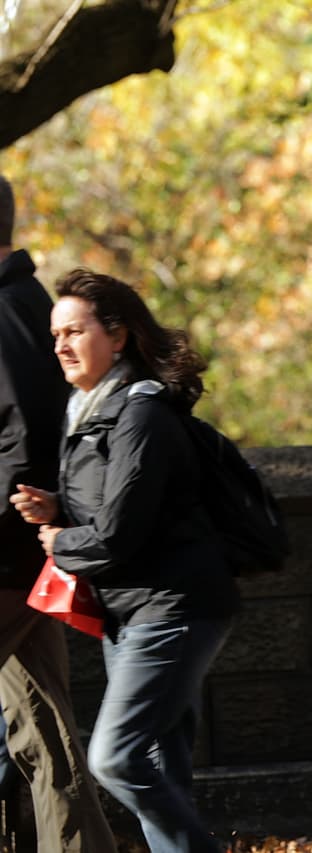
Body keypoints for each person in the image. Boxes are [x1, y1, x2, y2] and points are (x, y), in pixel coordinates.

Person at [9, 268, 239, 853]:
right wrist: (57, 505)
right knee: (164, 766)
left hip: (172, 609)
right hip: (132, 610)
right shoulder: (90, 410)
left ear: (118, 337)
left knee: (115, 757)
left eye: (75, 331)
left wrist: (60, 542)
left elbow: (117, 534)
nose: (60, 344)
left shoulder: (140, 414)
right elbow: (118, 504)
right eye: (56, 333)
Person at [0, 178, 117, 852]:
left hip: (7, 558)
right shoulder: (17, 304)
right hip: (22, 558)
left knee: (43, 726)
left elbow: (28, 436)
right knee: (43, 728)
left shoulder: (9, 310)